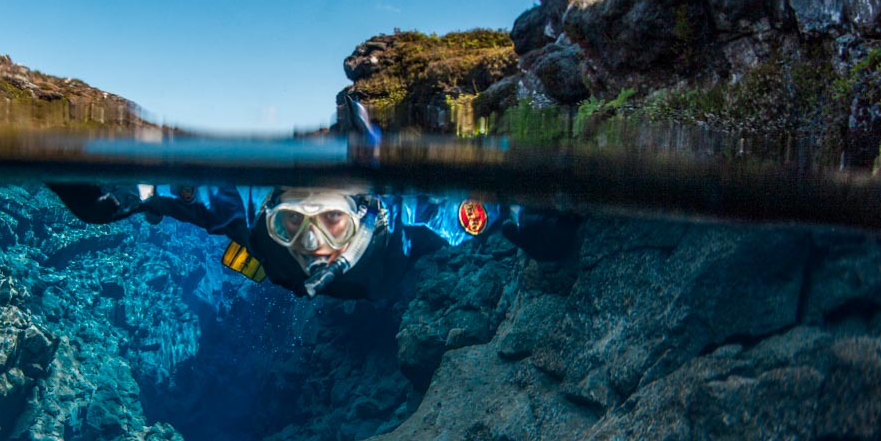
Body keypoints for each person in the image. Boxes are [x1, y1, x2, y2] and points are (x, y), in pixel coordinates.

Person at [46, 181, 577, 300]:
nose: (311, 245)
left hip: (382, 270)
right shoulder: (245, 214)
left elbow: (474, 211)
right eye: (291, 226)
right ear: (271, 221)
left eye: (332, 222)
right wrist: (129, 195)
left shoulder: (407, 217)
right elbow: (167, 188)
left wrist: (520, 217)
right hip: (269, 265)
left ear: (365, 215)